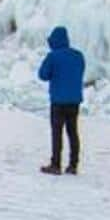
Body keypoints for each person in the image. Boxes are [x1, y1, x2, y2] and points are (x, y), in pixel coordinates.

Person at [37, 26, 85, 175]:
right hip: (74, 101)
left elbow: (43, 75)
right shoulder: (78, 55)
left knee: (57, 133)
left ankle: (56, 164)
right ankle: (73, 165)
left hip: (58, 101)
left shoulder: (53, 56)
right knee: (73, 132)